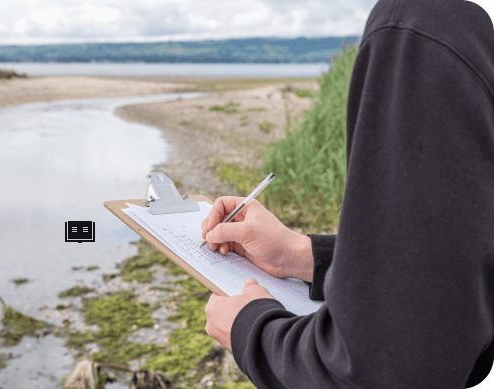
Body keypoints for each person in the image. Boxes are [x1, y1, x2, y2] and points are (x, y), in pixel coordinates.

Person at [201, 0, 494, 388]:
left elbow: (382, 369)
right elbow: (460, 261)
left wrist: (250, 330)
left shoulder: (423, 24)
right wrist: (307, 257)